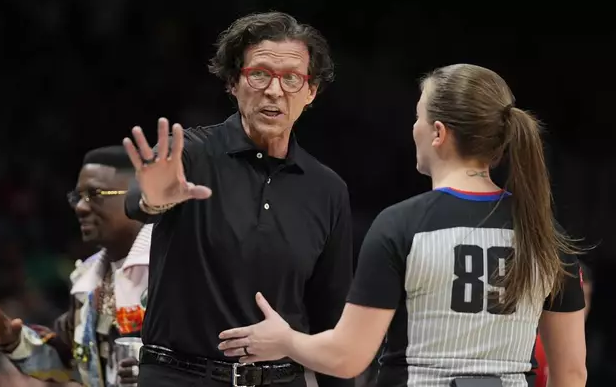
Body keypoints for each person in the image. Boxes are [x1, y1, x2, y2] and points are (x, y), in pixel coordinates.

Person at [217, 63, 588, 387]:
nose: (414, 128)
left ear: (438, 133)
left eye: (418, 117)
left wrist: (285, 341)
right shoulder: (546, 236)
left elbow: (347, 357)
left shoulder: (403, 226)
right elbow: (572, 375)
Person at [122, 11, 353, 387]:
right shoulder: (190, 154)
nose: (274, 91)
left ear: (310, 93)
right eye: (259, 74)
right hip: (178, 376)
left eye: (291, 79)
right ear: (233, 82)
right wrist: (154, 198)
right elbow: (137, 202)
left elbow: (331, 317)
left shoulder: (328, 190)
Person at [0, 146, 152, 387]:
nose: (80, 207)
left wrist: (160, 374)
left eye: (95, 194)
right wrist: (12, 339)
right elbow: (69, 364)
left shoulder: (175, 266)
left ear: (135, 195)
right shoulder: (87, 279)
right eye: (78, 197)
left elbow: (210, 353)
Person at [534, 261, 592, 387]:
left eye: (586, 298)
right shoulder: (535, 344)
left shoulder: (583, 347)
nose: (581, 308)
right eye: (575, 301)